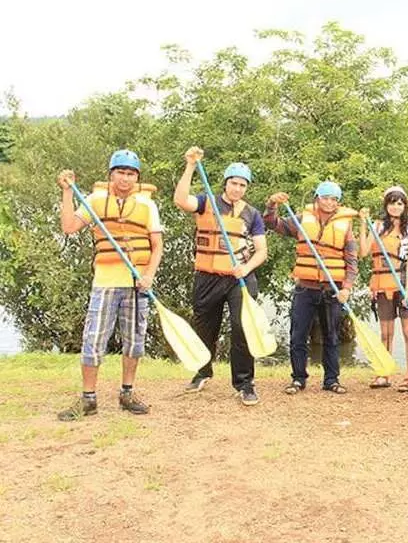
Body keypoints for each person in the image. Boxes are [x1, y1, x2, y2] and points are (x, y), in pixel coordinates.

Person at [56, 150, 163, 421]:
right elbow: (69, 227)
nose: (125, 178)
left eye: (130, 174)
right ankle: (88, 399)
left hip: (137, 284)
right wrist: (68, 192)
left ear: (137, 178)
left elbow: (157, 245)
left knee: (134, 342)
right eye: (120, 172)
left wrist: (149, 274)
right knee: (93, 340)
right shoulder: (93, 200)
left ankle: (127, 393)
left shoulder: (147, 206)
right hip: (105, 282)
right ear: (111, 174)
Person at [173, 147, 268, 406]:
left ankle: (245, 383)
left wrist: (246, 269)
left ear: (246, 187)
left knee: (242, 328)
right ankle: (202, 371)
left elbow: (261, 252)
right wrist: (191, 166)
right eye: (233, 183)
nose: (237, 188)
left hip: (239, 278)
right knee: (205, 326)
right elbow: (181, 200)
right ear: (225, 183)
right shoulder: (207, 202)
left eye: (242, 185)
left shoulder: (252, 214)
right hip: (207, 276)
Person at [265, 182, 357, 395]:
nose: (329, 202)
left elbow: (351, 261)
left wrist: (347, 288)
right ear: (317, 198)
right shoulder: (300, 220)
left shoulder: (345, 226)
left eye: (334, 199)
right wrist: (272, 204)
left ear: (338, 203)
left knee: (332, 336)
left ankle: (331, 380)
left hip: (332, 290)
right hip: (305, 288)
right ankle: (298, 379)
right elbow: (272, 223)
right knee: (298, 335)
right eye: (325, 198)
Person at [359, 186, 408, 392]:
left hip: (405, 283)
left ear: (405, 206)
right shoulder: (377, 226)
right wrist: (362, 224)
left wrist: (406, 291)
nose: (396, 207)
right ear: (386, 205)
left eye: (400, 203)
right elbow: (363, 251)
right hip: (383, 284)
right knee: (386, 333)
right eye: (392, 202)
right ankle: (383, 373)